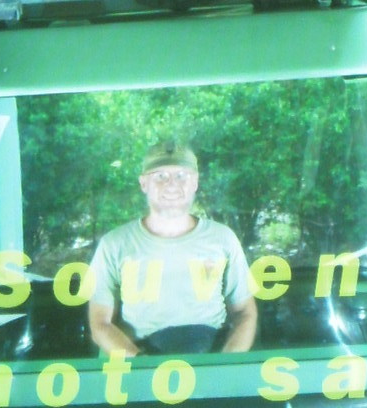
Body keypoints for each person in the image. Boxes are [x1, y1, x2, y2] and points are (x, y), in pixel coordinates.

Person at [88, 139, 257, 356]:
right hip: (142, 358)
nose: (171, 184)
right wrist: (141, 365)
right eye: (160, 176)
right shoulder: (114, 244)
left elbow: (245, 313)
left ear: (195, 182)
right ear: (143, 183)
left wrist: (225, 365)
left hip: (210, 354)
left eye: (181, 175)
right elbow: (100, 324)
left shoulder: (223, 238)